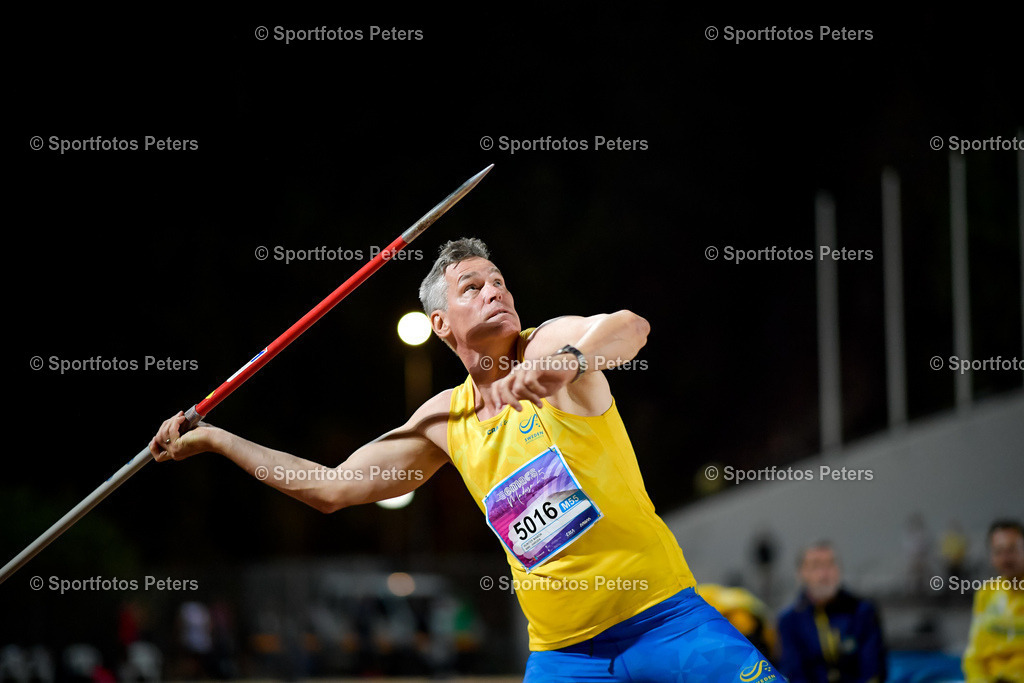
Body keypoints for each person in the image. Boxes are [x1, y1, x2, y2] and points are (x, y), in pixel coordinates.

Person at [150, 237, 783, 682]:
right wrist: (215, 440)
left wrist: (569, 362)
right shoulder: (442, 423)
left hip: (667, 622)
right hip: (566, 658)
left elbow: (628, 326)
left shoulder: (550, 346)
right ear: (441, 324)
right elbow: (331, 489)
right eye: (471, 287)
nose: (494, 292)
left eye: (500, 281)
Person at [776, 541, 887, 682]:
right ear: (801, 573)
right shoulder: (789, 620)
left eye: (830, 564)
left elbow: (873, 671)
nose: (824, 574)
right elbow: (793, 672)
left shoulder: (862, 611)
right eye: (816, 566)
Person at [962, 519, 1024, 681]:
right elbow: (974, 655)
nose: (1005, 558)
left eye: (1012, 550)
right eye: (998, 551)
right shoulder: (986, 594)